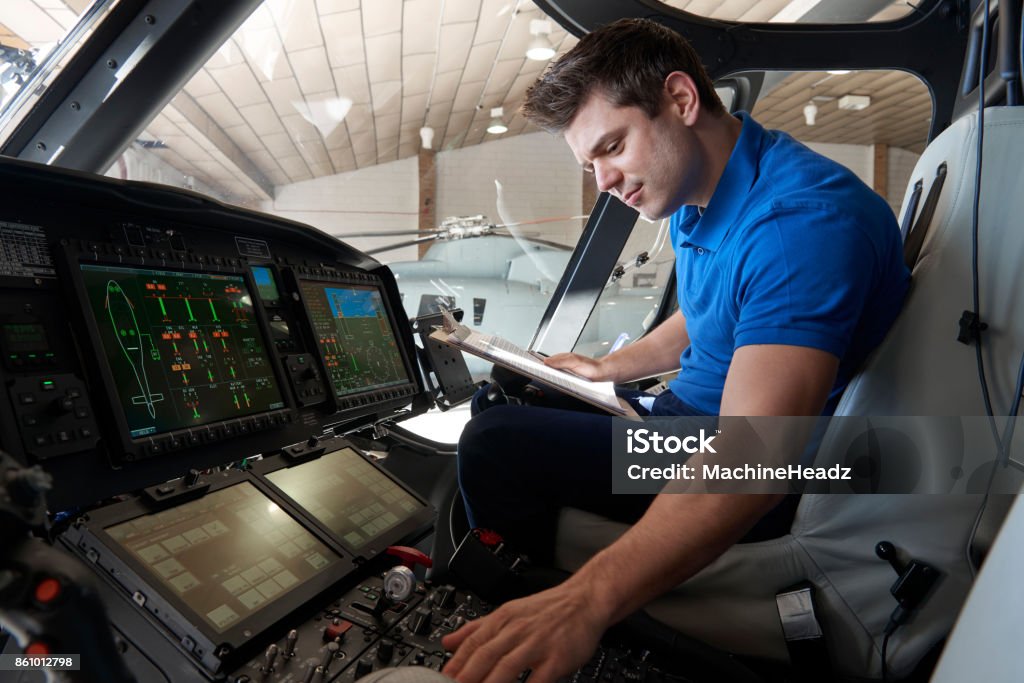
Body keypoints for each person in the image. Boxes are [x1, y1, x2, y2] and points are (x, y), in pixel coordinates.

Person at [441, 17, 910, 683]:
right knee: (511, 394)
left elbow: (755, 457)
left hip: (746, 458)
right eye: (589, 164)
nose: (602, 180)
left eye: (612, 146)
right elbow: (707, 313)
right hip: (683, 418)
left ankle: (549, 623)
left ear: (682, 101)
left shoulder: (797, 226)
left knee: (493, 444)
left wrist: (589, 600)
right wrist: (605, 369)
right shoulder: (702, 193)